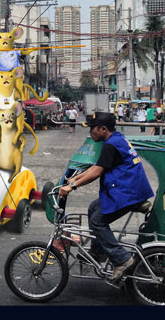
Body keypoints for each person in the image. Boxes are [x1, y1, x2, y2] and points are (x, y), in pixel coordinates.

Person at [59, 112, 154, 282]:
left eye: (92, 130)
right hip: (128, 189)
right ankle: (99, 250)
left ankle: (122, 259)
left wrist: (71, 186)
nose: (90, 133)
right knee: (93, 208)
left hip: (127, 193)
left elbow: (97, 172)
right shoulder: (116, 139)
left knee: (97, 221)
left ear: (103, 129)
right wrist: (75, 178)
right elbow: (98, 165)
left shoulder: (111, 145)